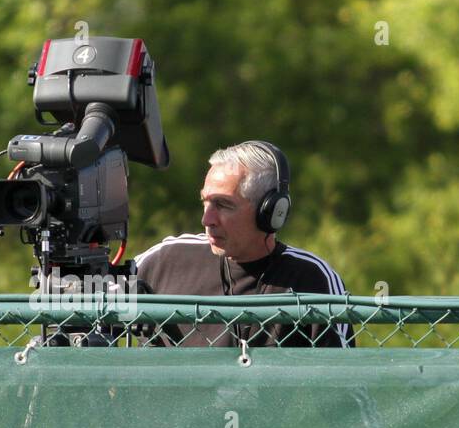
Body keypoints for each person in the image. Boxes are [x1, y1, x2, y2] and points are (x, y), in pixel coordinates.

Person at [133, 140, 353, 348]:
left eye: (222, 205)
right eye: (205, 202)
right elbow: (100, 283)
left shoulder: (311, 278)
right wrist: (120, 294)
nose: (206, 220)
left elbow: (344, 379)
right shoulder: (169, 258)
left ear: (269, 211)